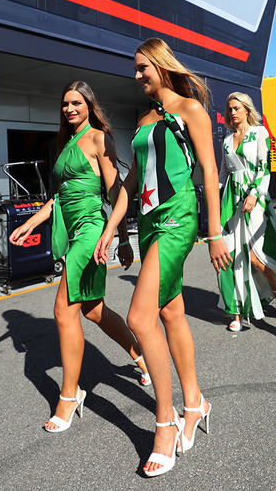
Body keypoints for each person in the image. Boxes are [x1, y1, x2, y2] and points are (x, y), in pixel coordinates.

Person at [94, 38, 232, 477]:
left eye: (141, 69)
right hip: (149, 221)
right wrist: (116, 228)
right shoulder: (144, 119)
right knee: (171, 312)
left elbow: (209, 171)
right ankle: (195, 403)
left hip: (179, 217)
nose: (137, 77)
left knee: (139, 318)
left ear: (160, 65)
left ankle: (165, 422)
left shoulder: (190, 109)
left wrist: (214, 233)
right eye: (135, 71)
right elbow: (132, 181)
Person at [9, 81, 151, 433]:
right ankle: (140, 354)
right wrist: (30, 224)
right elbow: (59, 198)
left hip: (91, 229)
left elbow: (117, 190)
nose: (69, 109)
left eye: (76, 103)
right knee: (92, 309)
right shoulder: (68, 143)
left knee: (62, 311)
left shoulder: (98, 138)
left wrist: (119, 237)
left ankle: (70, 395)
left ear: (89, 104)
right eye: (65, 104)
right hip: (71, 230)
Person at [217, 92, 276, 330]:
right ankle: (235, 312)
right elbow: (223, 174)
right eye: (229, 109)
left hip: (254, 197)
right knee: (229, 253)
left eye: (237, 108)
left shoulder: (259, 133)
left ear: (247, 109)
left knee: (252, 252)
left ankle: (275, 284)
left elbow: (264, 169)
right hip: (230, 199)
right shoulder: (226, 140)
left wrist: (254, 194)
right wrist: (216, 200)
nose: (232, 113)